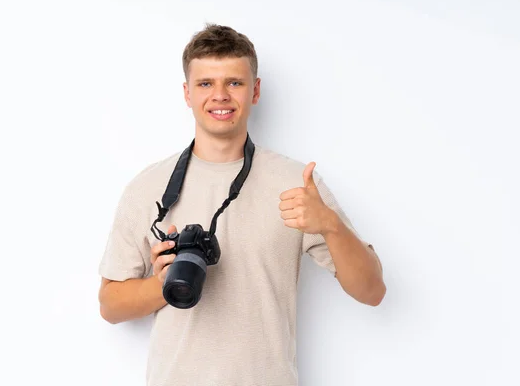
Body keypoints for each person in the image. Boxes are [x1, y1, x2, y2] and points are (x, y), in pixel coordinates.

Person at [98, 23, 386, 386]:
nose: (220, 95)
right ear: (187, 94)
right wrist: (166, 282)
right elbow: (109, 305)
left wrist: (330, 224)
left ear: (256, 91)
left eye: (234, 82)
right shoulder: (148, 187)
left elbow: (372, 291)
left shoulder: (297, 184)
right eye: (205, 84)